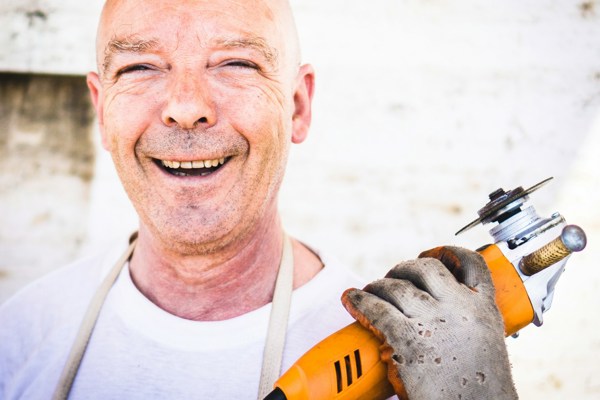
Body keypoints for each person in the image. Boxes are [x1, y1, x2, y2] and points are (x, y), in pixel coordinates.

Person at [0, 0, 518, 399]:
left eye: (235, 63)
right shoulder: (21, 336)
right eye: (139, 67)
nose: (185, 107)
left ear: (297, 105)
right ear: (101, 111)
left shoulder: (401, 361)